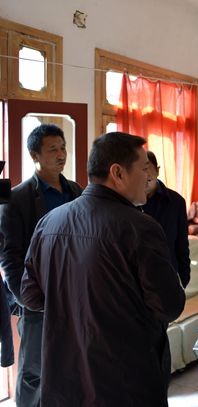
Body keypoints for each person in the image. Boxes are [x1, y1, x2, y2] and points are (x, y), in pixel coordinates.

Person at [20, 132, 186, 406]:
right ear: (118, 173)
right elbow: (169, 306)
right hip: (124, 379)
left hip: (64, 376)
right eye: (143, 168)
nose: (148, 177)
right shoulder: (141, 227)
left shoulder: (49, 222)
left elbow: (31, 297)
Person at [0, 123, 82, 407]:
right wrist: (25, 298)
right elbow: (9, 256)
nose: (61, 154)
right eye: (53, 149)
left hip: (74, 293)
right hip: (38, 296)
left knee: (70, 363)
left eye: (63, 148)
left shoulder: (76, 191)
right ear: (34, 155)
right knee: (33, 371)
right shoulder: (17, 198)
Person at [142, 151, 191, 288]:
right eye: (140, 170)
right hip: (138, 276)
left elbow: (182, 243)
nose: (145, 175)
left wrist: (184, 277)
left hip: (168, 272)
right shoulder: (128, 202)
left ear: (157, 171)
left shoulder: (176, 201)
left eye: (147, 168)